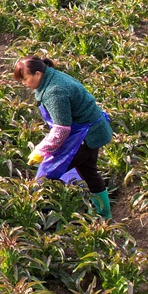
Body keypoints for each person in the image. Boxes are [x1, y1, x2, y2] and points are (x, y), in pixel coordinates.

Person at [13, 56, 113, 219]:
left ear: (37, 74)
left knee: (46, 174)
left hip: (86, 135)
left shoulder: (54, 91)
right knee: (89, 171)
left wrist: (41, 150)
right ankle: (103, 214)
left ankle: (41, 215)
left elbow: (61, 129)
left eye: (24, 78)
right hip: (90, 130)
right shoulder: (52, 77)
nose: (24, 83)